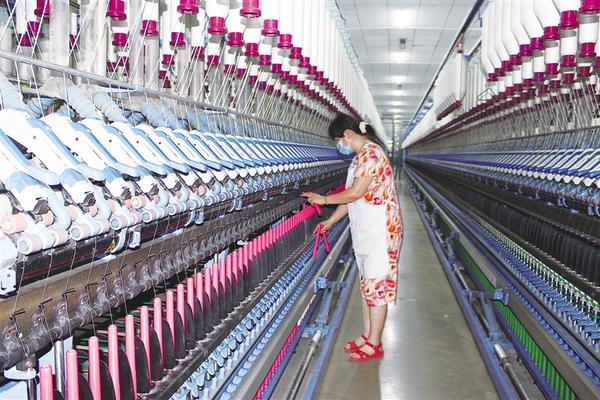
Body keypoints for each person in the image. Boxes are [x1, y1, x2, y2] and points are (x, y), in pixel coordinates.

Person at [301, 113, 403, 362]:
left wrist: (324, 200)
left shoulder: (372, 155)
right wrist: (330, 221)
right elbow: (350, 199)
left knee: (376, 287)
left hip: (381, 230)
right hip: (367, 230)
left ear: (347, 135)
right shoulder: (359, 159)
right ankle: (368, 335)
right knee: (367, 285)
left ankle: (375, 343)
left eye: (339, 140)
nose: (340, 146)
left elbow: (356, 192)